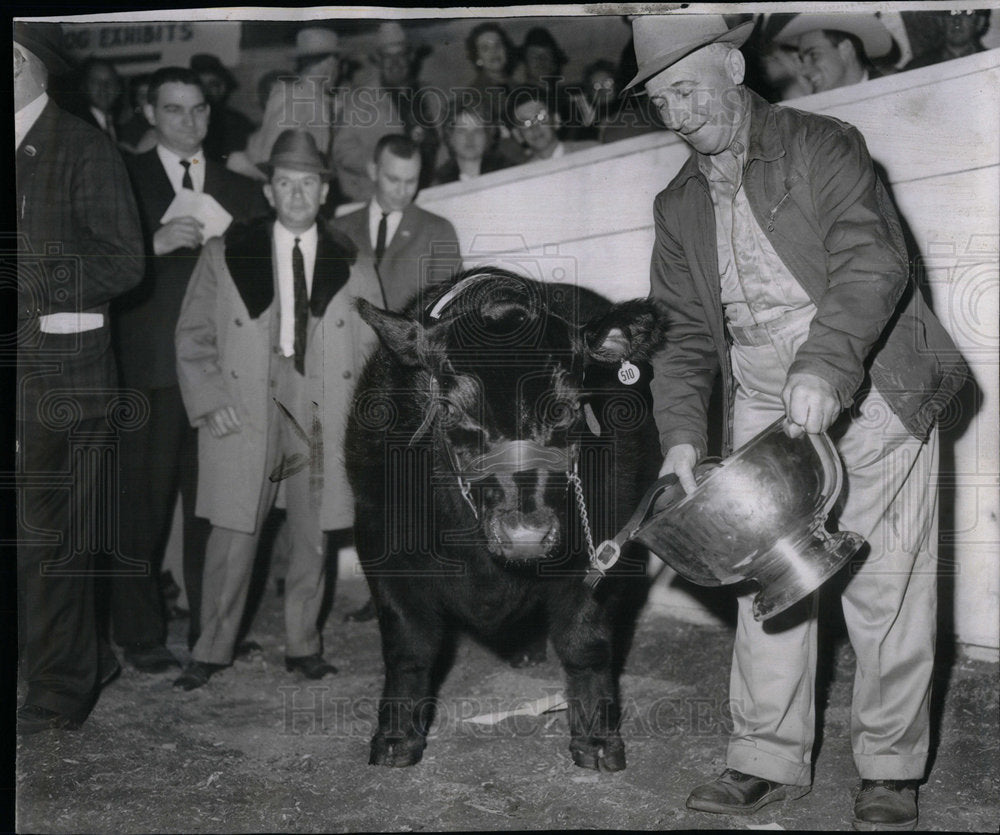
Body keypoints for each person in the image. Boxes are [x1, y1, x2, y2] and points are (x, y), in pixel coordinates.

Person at [624, 15, 968, 830]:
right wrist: (679, 436)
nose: (675, 115)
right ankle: (764, 757)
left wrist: (825, 365)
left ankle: (888, 767)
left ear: (733, 65)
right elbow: (677, 335)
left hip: (871, 372)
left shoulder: (825, 144)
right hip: (762, 388)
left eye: (685, 89)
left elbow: (873, 259)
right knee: (760, 578)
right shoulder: (677, 203)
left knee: (889, 583)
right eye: (660, 101)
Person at [173, 130, 384, 690]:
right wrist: (210, 398)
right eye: (285, 183)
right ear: (270, 193)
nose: (295, 194)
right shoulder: (226, 254)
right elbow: (192, 335)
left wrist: (363, 424)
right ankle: (211, 648)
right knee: (233, 533)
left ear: (323, 194)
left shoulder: (354, 264)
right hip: (245, 409)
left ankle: (302, 644)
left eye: (307, 184)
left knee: (313, 532)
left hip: (320, 411)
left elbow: (377, 353)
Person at [112, 66, 267, 668]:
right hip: (149, 368)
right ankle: (142, 636)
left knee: (216, 507)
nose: (188, 121)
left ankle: (212, 631)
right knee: (142, 510)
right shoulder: (124, 177)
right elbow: (98, 262)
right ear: (149, 114)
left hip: (220, 373)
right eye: (173, 110)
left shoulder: (241, 187)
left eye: (198, 109)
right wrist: (150, 245)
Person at [14, 21, 144, 734]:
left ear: (17, 60)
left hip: (65, 382)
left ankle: (62, 691)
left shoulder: (83, 147)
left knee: (53, 542)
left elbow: (126, 260)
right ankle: (84, 655)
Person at [331, 134, 463, 312]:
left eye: (411, 181)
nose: (402, 191)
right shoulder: (339, 229)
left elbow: (449, 310)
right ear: (373, 171)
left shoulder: (439, 231)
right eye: (393, 180)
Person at [333, 21, 442, 203]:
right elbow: (342, 151)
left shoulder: (430, 95)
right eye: (388, 57)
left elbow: (443, 142)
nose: (395, 63)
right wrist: (380, 164)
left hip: (430, 193)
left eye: (401, 55)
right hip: (380, 198)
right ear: (378, 61)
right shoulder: (360, 100)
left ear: (411, 57)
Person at [233, 27, 344, 185]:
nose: (338, 72)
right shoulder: (294, 96)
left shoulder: (317, 98)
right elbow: (269, 153)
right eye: (338, 65)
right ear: (329, 62)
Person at [773, 12, 895, 93]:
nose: (804, 71)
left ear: (845, 50)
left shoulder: (892, 91)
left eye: (814, 55)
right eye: (802, 59)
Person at [462, 21, 526, 167]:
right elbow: (488, 141)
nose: (494, 52)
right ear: (477, 58)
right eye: (486, 48)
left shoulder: (519, 87)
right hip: (506, 165)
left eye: (498, 45)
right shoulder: (474, 95)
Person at [190, 53, 256, 163]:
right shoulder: (182, 122)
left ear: (223, 88)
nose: (206, 92)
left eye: (213, 85)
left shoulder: (238, 124)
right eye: (200, 86)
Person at [507, 89, 597, 163]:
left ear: (556, 120)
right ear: (518, 135)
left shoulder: (591, 151)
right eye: (525, 123)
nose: (535, 128)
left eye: (540, 117)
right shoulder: (522, 176)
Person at [433, 101, 511, 185]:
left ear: (488, 135)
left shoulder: (509, 171)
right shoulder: (437, 183)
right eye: (461, 131)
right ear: (450, 136)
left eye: (477, 131)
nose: (470, 138)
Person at [904, 9, 992, 70]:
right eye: (950, 14)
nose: (957, 21)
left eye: (967, 13)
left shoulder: (993, 63)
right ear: (940, 22)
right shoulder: (918, 67)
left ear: (980, 22)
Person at [70, 57, 123, 140]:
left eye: (110, 81)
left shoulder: (118, 126)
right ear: (84, 87)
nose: (104, 88)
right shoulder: (76, 127)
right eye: (95, 82)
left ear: (118, 88)